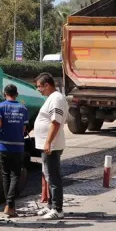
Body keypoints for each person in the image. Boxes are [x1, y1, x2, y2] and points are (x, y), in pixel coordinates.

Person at [33, 72, 68, 220]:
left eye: (40, 87)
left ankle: (57, 209)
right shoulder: (51, 98)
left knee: (53, 177)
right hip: (47, 145)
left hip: (51, 146)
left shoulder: (56, 99)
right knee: (47, 175)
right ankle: (50, 206)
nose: (39, 90)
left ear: (47, 85)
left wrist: (48, 142)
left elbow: (55, 122)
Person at [0, 84, 28, 218]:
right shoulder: (23, 108)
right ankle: (10, 205)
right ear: (17, 94)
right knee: (15, 175)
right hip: (18, 146)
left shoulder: (0, 106)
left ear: (4, 94)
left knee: (5, 175)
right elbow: (23, 130)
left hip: (3, 146)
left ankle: (9, 205)